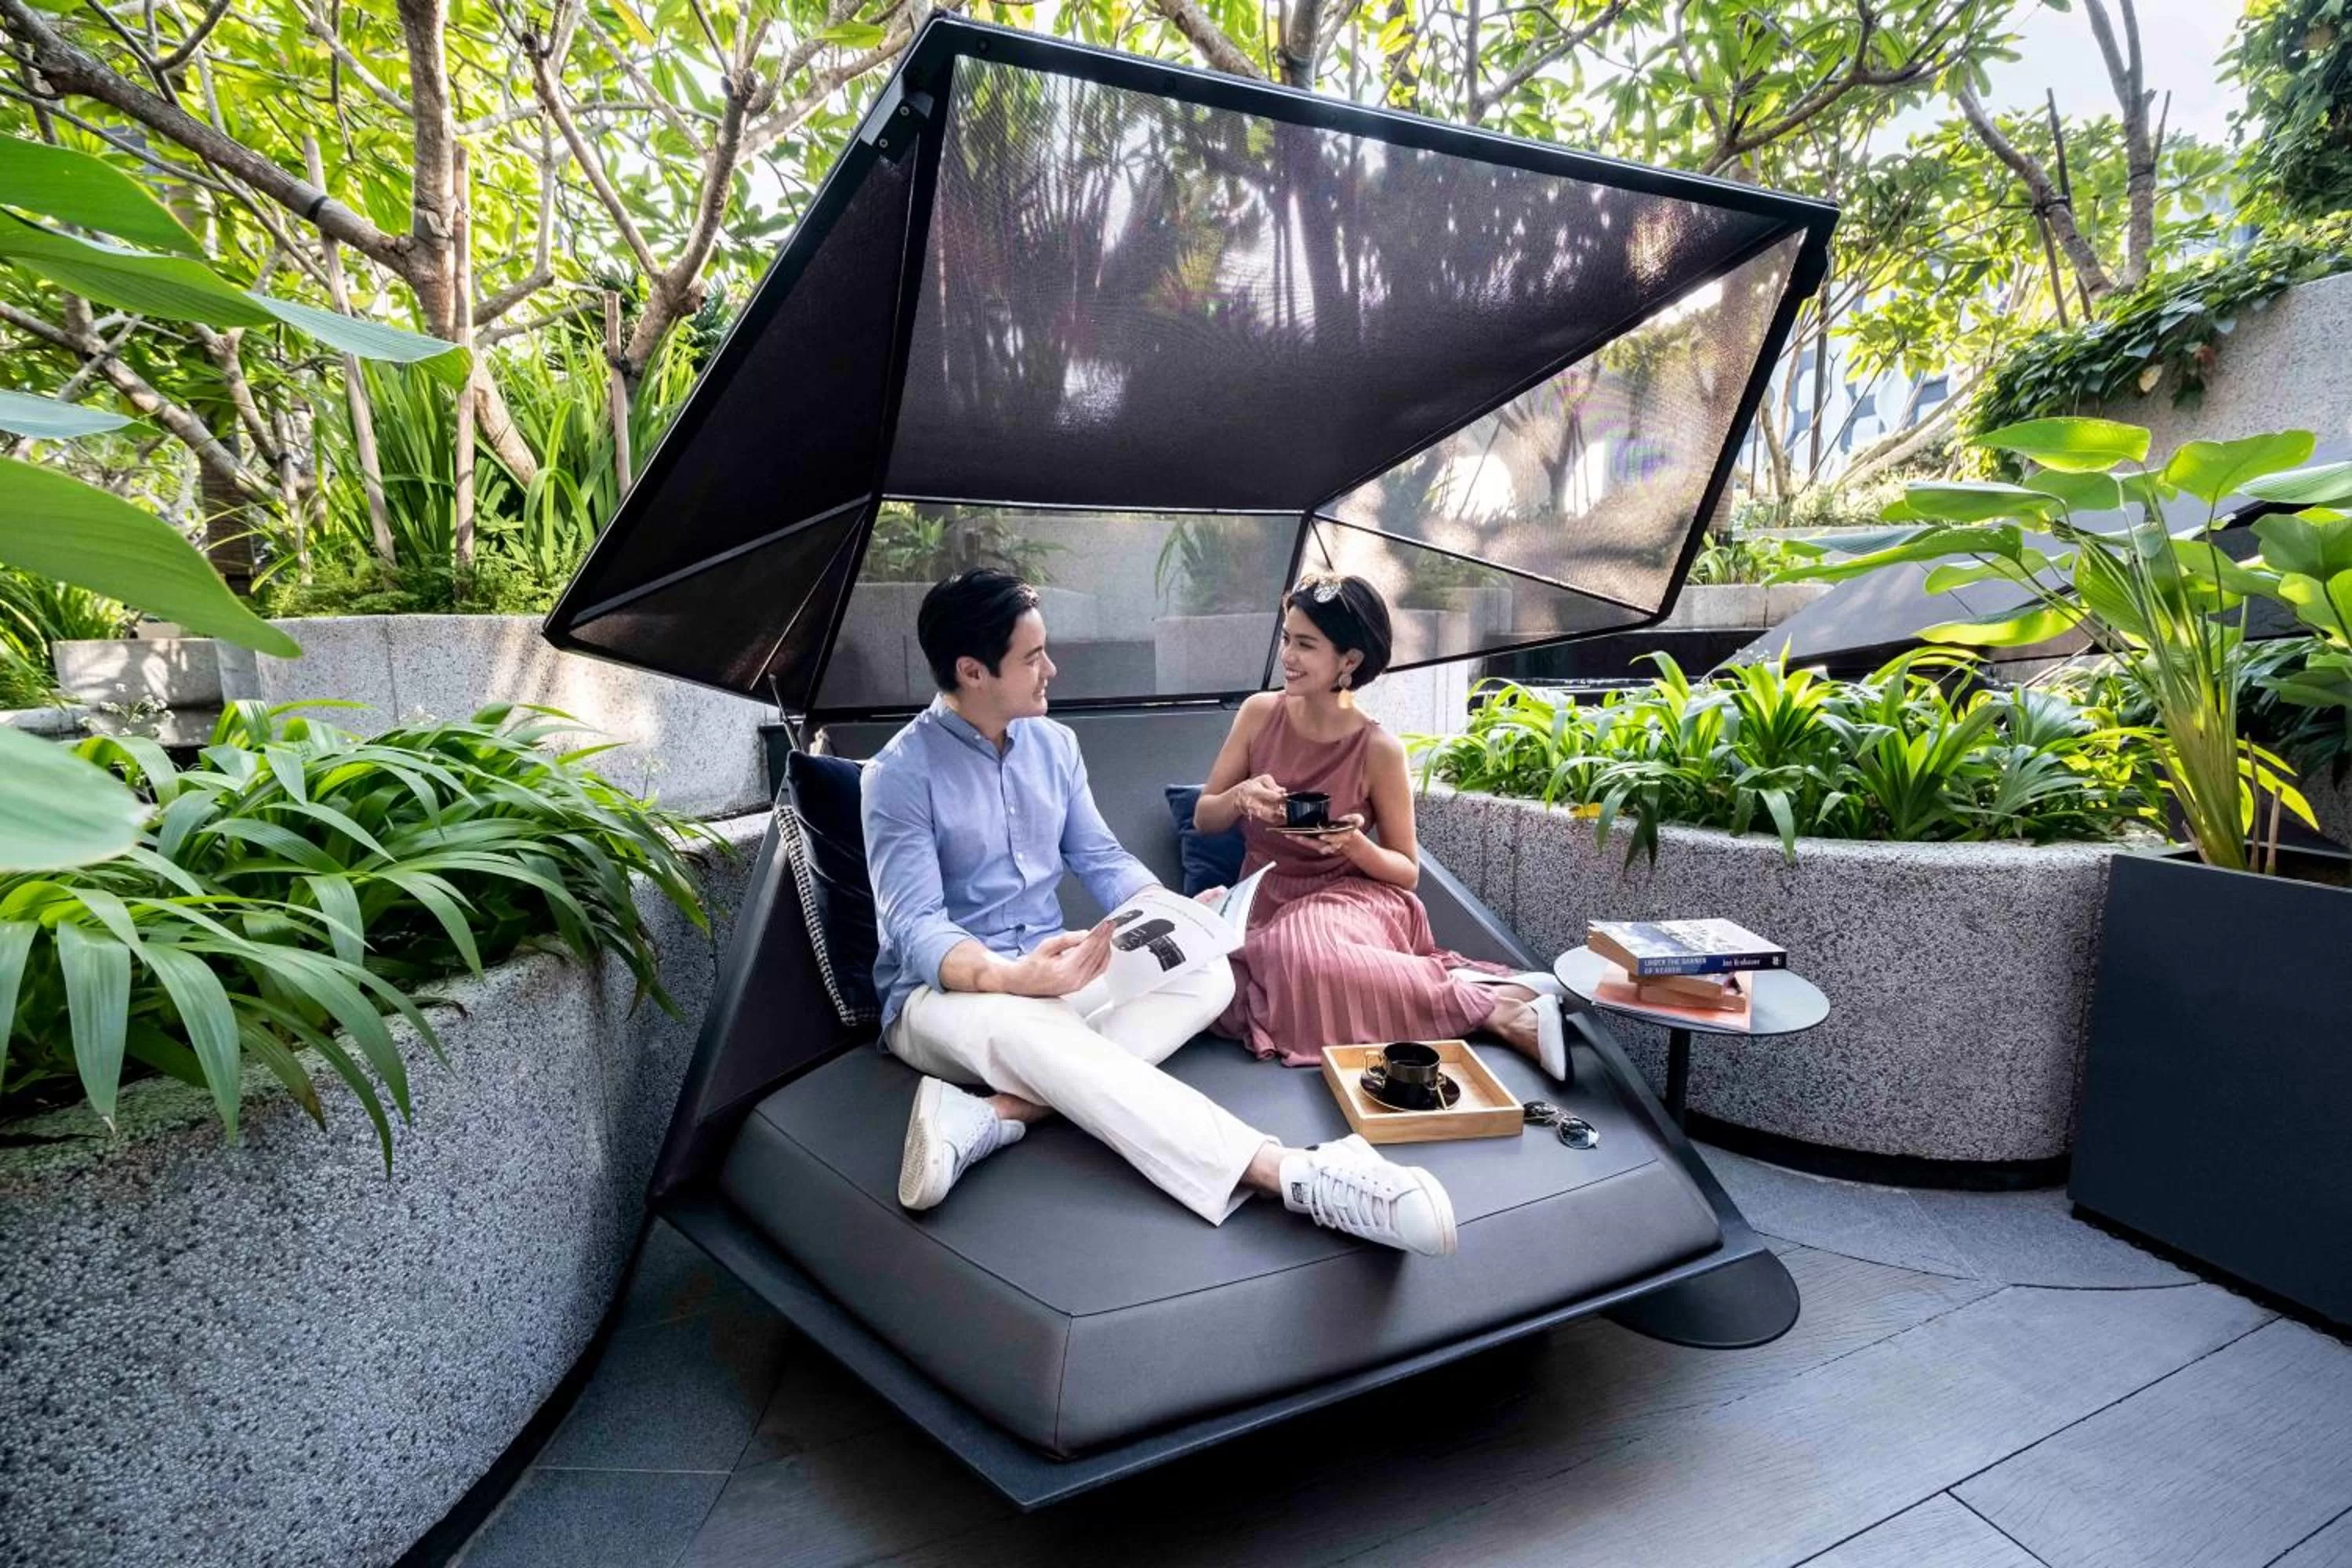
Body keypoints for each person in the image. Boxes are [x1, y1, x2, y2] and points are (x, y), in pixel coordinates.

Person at [862, 568, 1459, 1256]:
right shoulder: (898, 775)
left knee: (1210, 976)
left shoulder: (1055, 747)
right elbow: (914, 928)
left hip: (1053, 972)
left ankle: (994, 1116)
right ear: (972, 671)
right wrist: (1009, 977)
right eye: (1032, 658)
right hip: (944, 997)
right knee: (1027, 1029)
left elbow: (1104, 859)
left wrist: (1174, 912)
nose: (1052, 669)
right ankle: (1291, 1171)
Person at [1193, 572, 1569, 1076]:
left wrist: (1352, 845)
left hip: (1351, 898)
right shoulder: (1260, 714)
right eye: (1287, 638)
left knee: (1295, 951)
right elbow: (1205, 817)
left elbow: (1406, 871)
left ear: (1348, 662)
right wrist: (1240, 797)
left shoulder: (1378, 750)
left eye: (1305, 645)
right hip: (1261, 898)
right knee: (1221, 991)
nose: (1288, 656)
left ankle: (1498, 1014)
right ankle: (1484, 987)